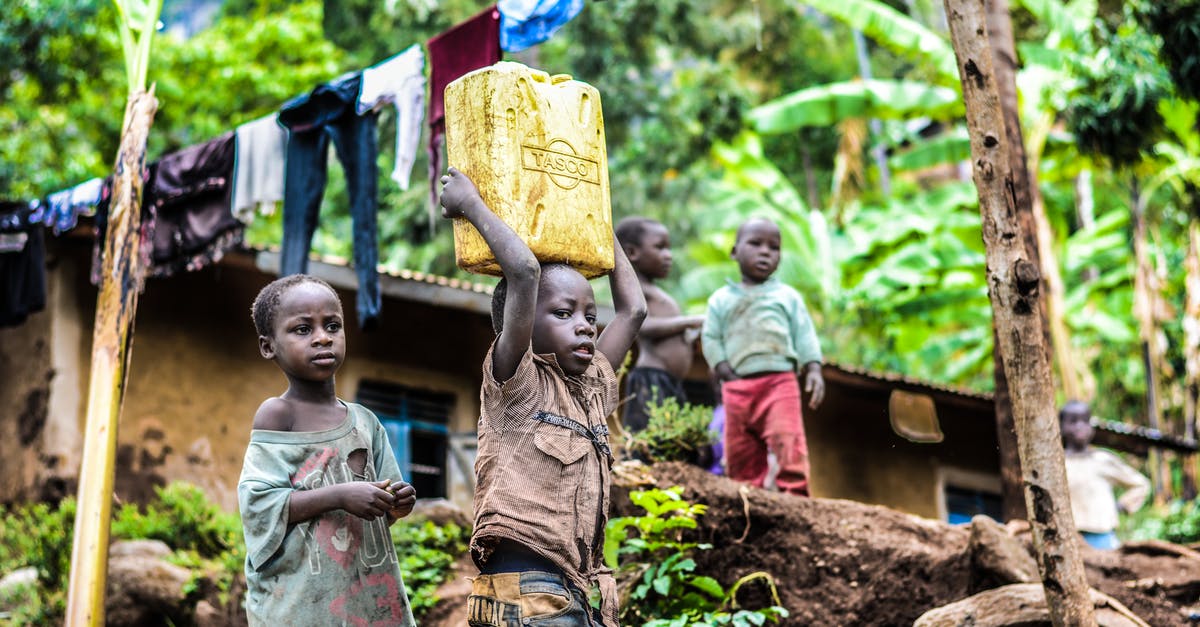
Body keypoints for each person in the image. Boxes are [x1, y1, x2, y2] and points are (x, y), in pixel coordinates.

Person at [440, 167, 646, 627]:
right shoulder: (516, 382)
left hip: (578, 591)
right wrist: (470, 204)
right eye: (563, 313)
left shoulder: (591, 388)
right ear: (520, 323)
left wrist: (598, 215)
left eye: (589, 316)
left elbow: (634, 310)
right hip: (526, 592)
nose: (586, 326)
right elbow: (524, 272)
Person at [237, 274, 417, 626]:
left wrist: (396, 502)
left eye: (333, 326)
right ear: (268, 346)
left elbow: (384, 511)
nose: (323, 337)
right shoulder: (278, 414)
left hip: (367, 601)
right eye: (303, 329)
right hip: (298, 605)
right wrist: (339, 495)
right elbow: (258, 504)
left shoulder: (365, 422)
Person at [701, 217, 825, 497]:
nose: (765, 252)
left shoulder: (787, 296)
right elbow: (710, 337)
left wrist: (814, 368)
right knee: (740, 451)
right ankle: (748, 500)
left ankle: (795, 497)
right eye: (755, 244)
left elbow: (805, 334)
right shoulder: (720, 299)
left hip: (780, 383)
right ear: (734, 252)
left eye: (774, 247)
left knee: (788, 441)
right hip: (736, 387)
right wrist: (724, 368)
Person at [615, 216, 705, 433]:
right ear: (632, 253)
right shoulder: (635, 290)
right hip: (651, 378)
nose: (668, 255)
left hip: (668, 380)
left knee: (670, 440)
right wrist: (690, 321)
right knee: (647, 440)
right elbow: (641, 325)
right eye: (660, 247)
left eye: (669, 248)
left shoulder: (656, 291)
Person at [1060, 400, 1150, 550]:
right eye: (1073, 421)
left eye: (1085, 421)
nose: (1080, 426)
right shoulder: (1056, 463)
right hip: (1068, 537)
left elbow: (1141, 484)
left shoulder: (1103, 459)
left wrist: (1123, 505)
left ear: (1091, 427)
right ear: (1061, 427)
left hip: (1102, 537)